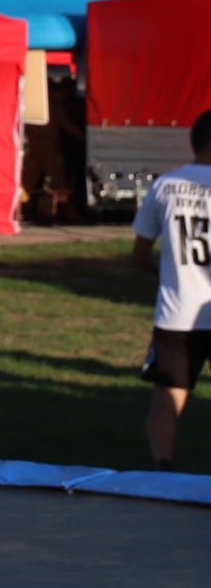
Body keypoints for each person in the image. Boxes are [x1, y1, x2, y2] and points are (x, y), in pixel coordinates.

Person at [130, 110, 211, 470]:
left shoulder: (166, 185)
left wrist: (164, 274)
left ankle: (163, 469)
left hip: (177, 314)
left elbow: (140, 252)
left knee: (167, 400)